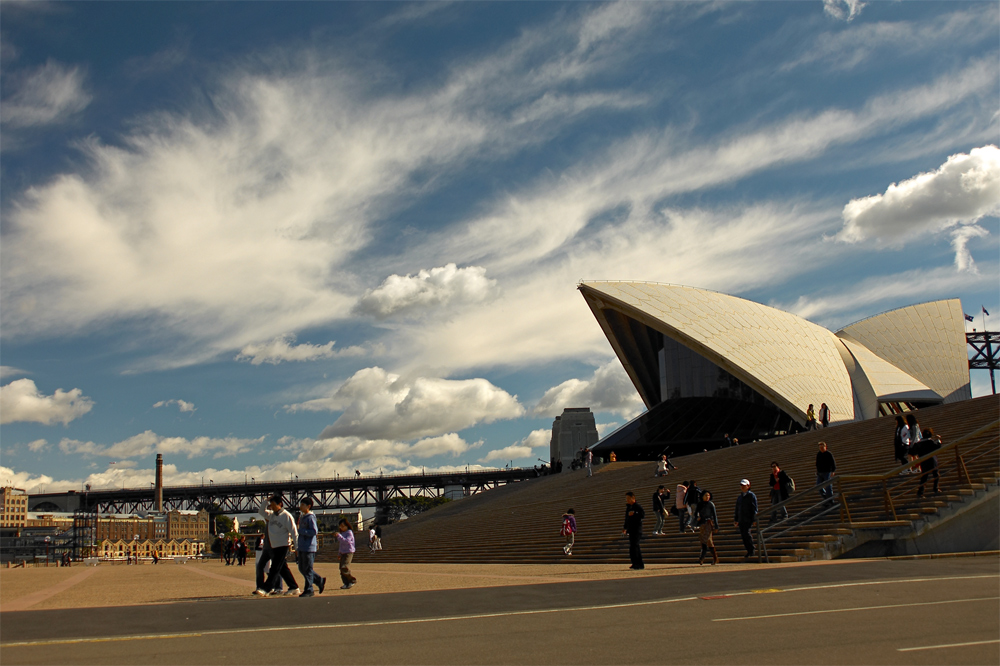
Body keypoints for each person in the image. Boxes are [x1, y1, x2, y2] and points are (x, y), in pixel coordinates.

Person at [256, 494, 300, 596]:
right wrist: (267, 501)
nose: (271, 507)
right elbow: (261, 511)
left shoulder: (286, 516)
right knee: (283, 568)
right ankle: (294, 586)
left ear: (280, 504)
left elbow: (294, 532)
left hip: (283, 545)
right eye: (270, 505)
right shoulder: (271, 515)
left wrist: (297, 547)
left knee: (275, 568)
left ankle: (266, 588)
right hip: (273, 546)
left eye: (273, 505)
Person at [296, 497, 325, 597]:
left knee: (308, 569)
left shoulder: (310, 517)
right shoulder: (302, 516)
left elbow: (314, 531)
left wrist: (301, 531)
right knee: (302, 568)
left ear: (308, 506)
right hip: (302, 546)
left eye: (303, 505)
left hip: (309, 546)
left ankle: (309, 589)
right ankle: (319, 580)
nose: (300, 506)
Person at [911, 428, 942, 497]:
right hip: (932, 461)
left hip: (924, 462)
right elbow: (938, 446)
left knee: (924, 477)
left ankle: (920, 492)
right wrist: (938, 439)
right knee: (936, 475)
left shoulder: (918, 444)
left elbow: (913, 452)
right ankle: (936, 488)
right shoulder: (931, 442)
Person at [733, 479, 758, 560]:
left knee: (747, 533)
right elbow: (737, 509)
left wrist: (754, 519)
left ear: (748, 486)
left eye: (744, 485)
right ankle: (748, 550)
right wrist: (736, 519)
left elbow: (754, 508)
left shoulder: (751, 496)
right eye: (741, 486)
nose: (742, 487)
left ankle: (751, 549)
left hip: (748, 518)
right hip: (741, 518)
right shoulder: (740, 497)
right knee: (743, 535)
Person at [622, 492, 645, 569]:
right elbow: (626, 519)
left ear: (633, 498)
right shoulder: (628, 507)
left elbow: (642, 515)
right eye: (626, 499)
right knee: (633, 547)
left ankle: (639, 564)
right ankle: (634, 562)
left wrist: (635, 513)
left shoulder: (637, 506)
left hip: (637, 529)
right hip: (631, 529)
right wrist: (625, 528)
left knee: (635, 546)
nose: (627, 500)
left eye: (628, 498)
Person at [696, 490, 719, 565]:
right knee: (705, 541)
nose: (707, 497)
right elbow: (696, 514)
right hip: (702, 524)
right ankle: (714, 558)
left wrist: (716, 526)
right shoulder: (699, 505)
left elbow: (714, 516)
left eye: (708, 495)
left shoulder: (711, 504)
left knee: (707, 540)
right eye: (706, 495)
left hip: (708, 524)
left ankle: (702, 558)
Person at [336, 518, 357, 589]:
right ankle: (346, 583)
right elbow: (341, 544)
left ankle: (352, 580)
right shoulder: (342, 533)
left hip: (349, 552)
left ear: (346, 526)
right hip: (343, 552)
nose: (341, 528)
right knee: (341, 569)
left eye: (342, 526)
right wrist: (339, 553)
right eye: (340, 526)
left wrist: (339, 536)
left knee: (344, 567)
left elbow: (347, 541)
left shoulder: (349, 532)